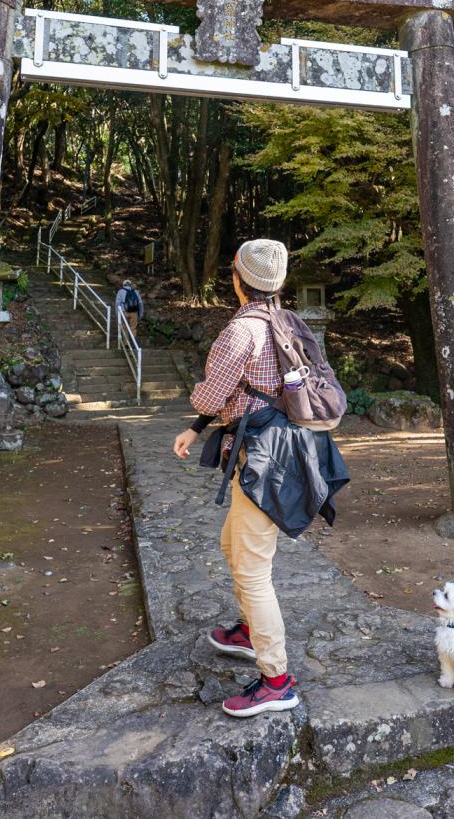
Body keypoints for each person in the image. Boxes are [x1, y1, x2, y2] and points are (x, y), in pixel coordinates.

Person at [172, 238, 299, 718]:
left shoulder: (239, 331)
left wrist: (198, 409)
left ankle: (277, 680)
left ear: (236, 277)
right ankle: (249, 630)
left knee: (252, 569)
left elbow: (212, 395)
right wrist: (199, 428)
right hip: (280, 447)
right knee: (234, 545)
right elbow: (255, 393)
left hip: (259, 456)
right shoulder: (283, 322)